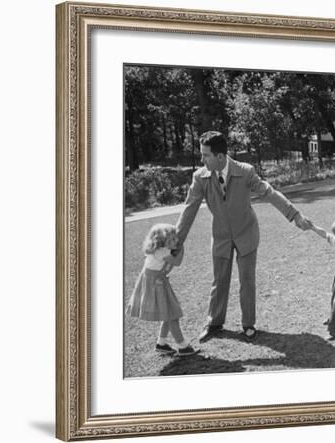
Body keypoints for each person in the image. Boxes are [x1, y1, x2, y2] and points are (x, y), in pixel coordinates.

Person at [175, 131, 311, 342]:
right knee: (219, 281)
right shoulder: (200, 177)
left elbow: (270, 193)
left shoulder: (245, 172)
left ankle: (248, 324)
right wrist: (177, 240)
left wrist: (295, 215)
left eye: (205, 155)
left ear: (220, 157)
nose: (202, 160)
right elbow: (189, 210)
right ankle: (214, 323)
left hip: (246, 234)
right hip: (220, 237)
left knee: (247, 281)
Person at [126, 223, 200, 357]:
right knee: (172, 315)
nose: (176, 241)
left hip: (157, 281)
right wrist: (181, 248)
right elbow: (177, 262)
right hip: (156, 283)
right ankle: (183, 346)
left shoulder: (159, 249)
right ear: (160, 241)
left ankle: (162, 344)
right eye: (171, 239)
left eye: (176, 238)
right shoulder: (162, 251)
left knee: (167, 313)